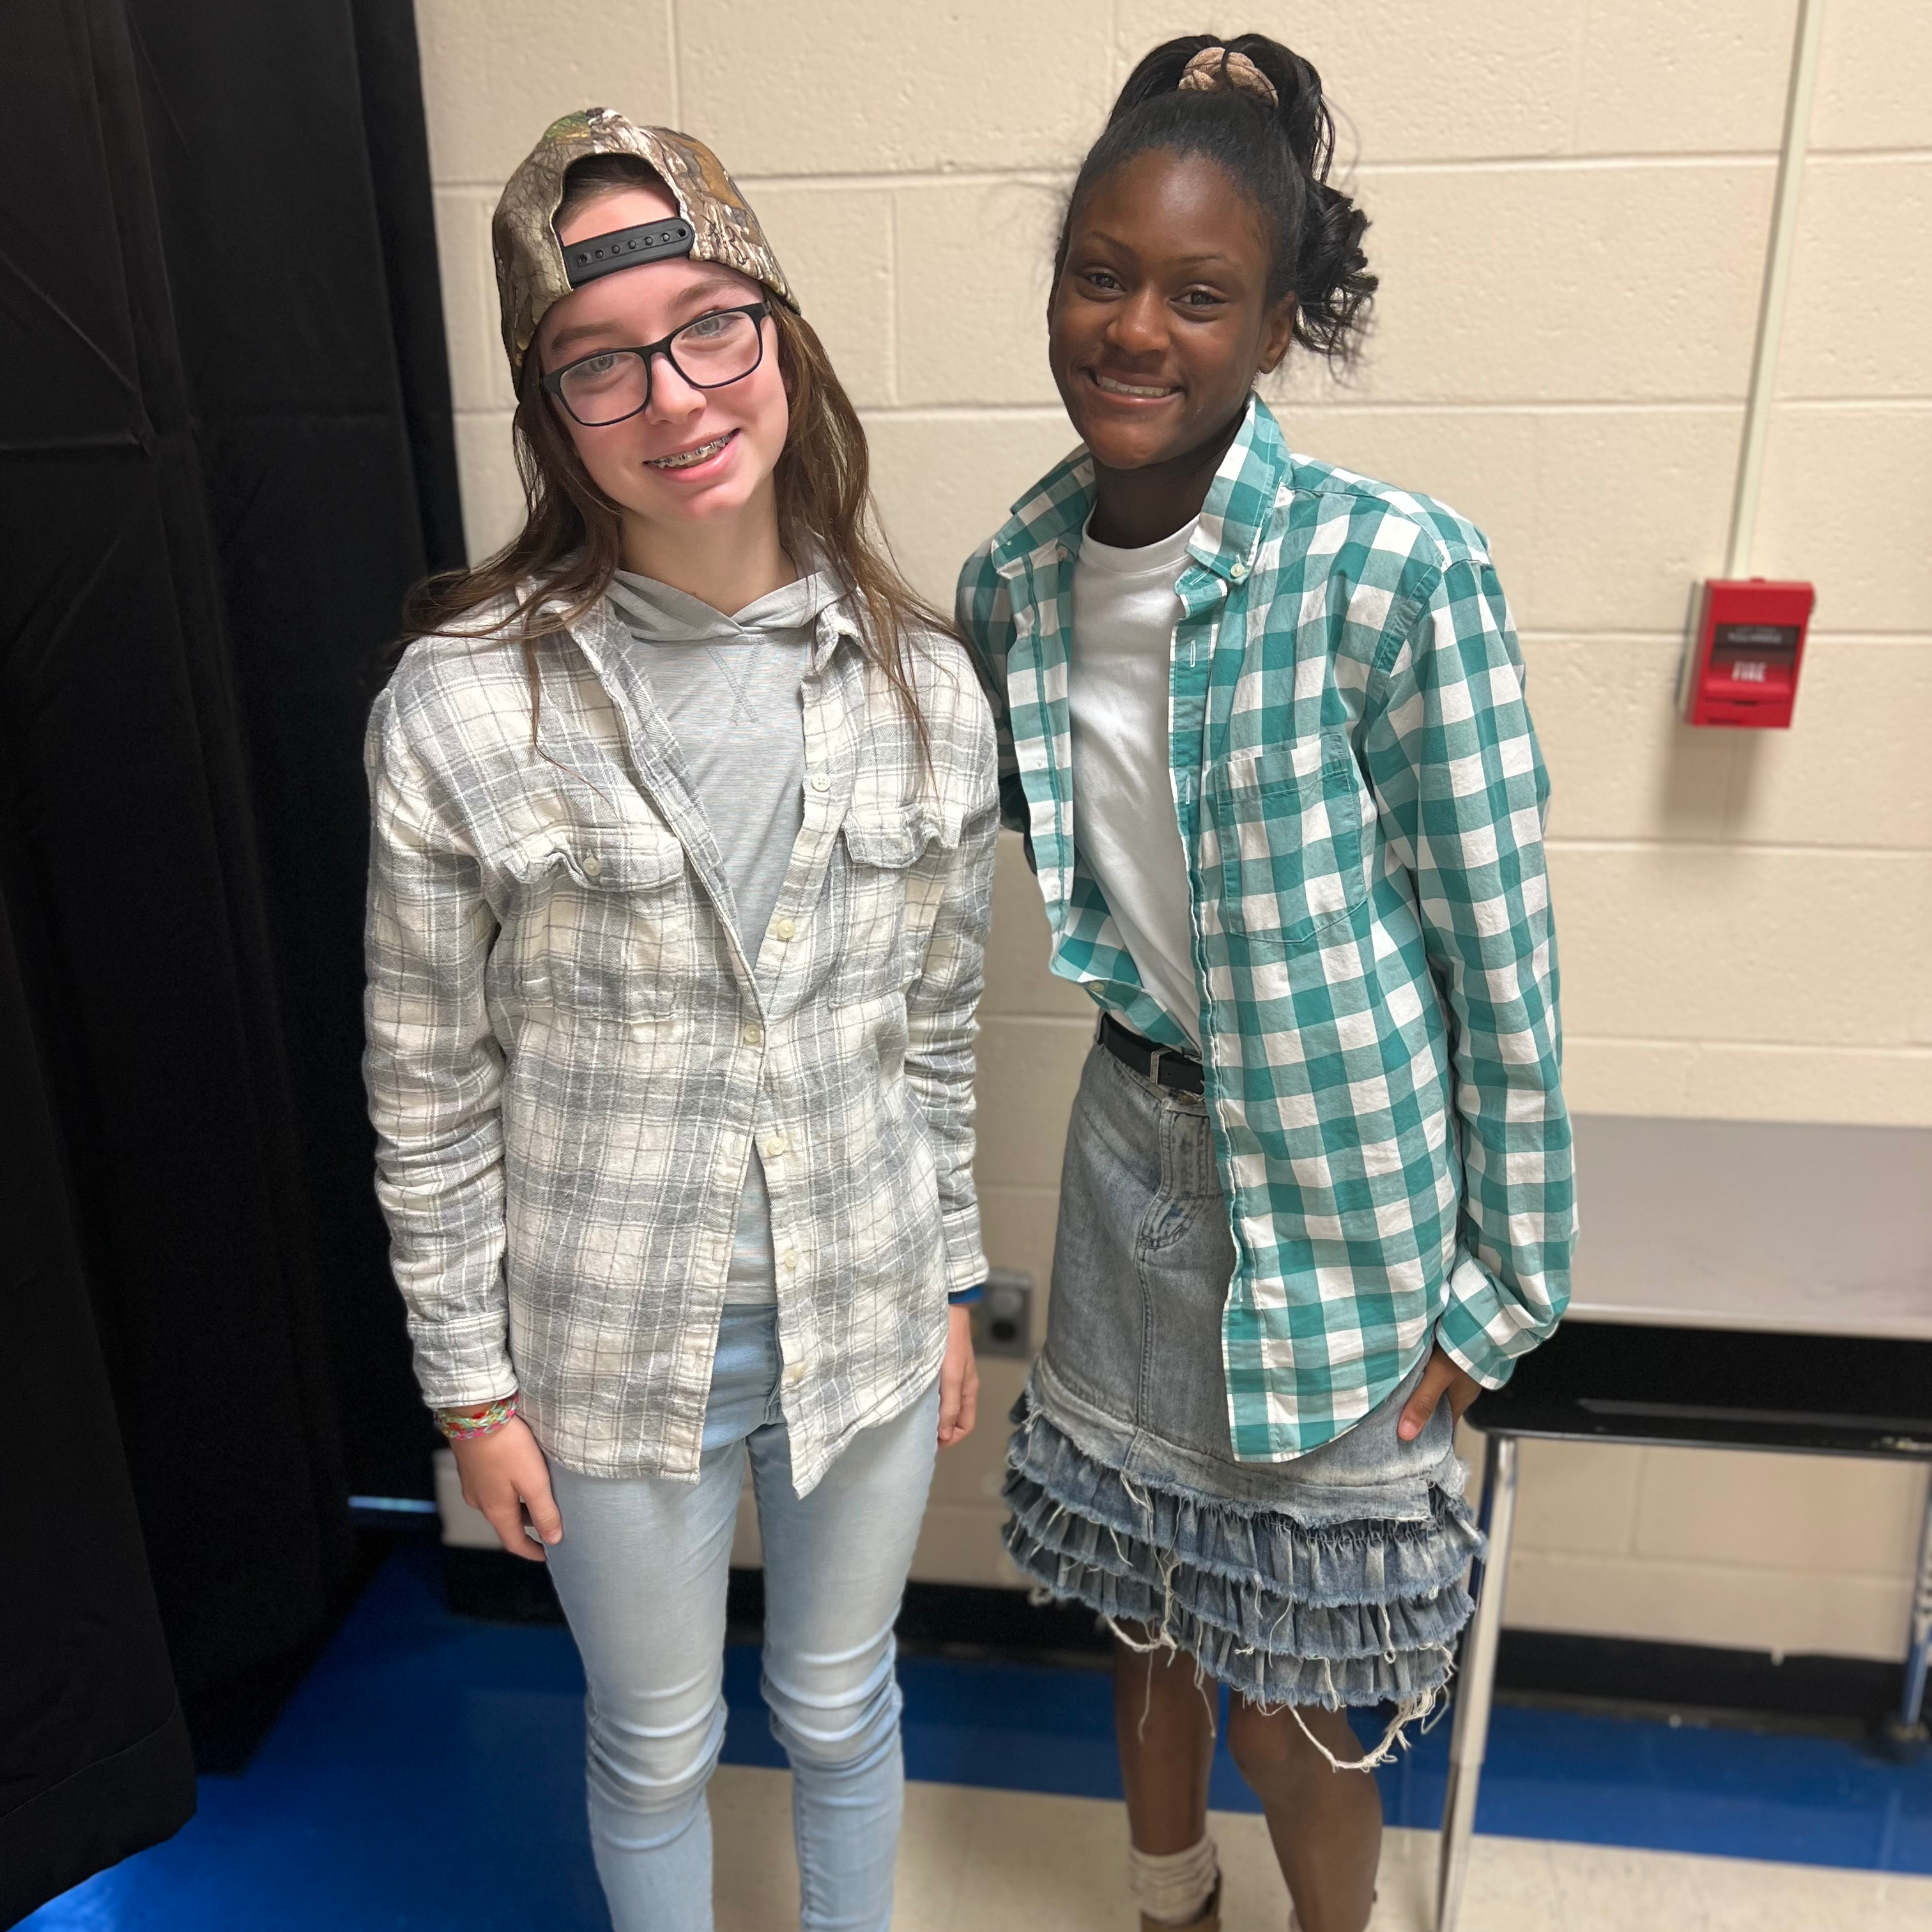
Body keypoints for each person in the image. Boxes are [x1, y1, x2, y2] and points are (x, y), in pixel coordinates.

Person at [957, 36, 1575, 1932]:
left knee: (1297, 1685)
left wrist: (1511, 1274)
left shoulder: (1396, 574)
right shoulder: (1012, 582)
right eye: (1100, 272)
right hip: (1134, 1163)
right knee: (1144, 1617)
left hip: (1345, 1198)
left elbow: (1505, 952)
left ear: (1280, 325)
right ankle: (1173, 1910)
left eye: (1202, 294)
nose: (1138, 327)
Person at [364, 107, 998, 1932]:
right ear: (552, 413)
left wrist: (950, 1276)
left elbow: (937, 1026)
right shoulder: (464, 708)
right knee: (654, 1737)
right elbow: (428, 1082)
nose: (674, 392)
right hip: (605, 1344)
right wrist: (469, 1385)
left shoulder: (926, 691)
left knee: (839, 1701)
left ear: (778, 333)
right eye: (602, 363)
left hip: (868, 1313)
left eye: (710, 324)